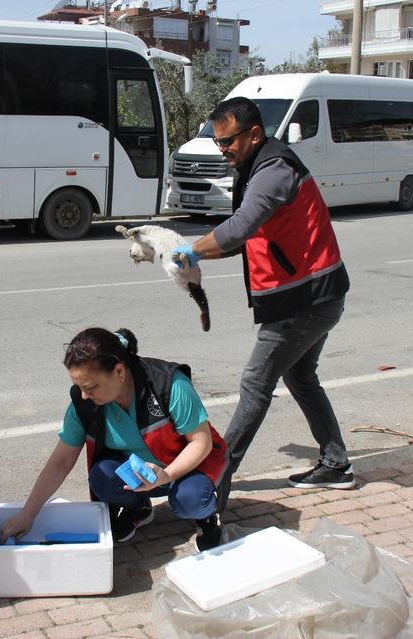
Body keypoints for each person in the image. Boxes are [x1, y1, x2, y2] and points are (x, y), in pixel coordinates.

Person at [172, 96, 354, 513]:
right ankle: (336, 462)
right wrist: (193, 252)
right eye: (217, 142)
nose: (223, 150)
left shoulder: (273, 170)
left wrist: (193, 250)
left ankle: (215, 476)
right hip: (315, 295)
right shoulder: (257, 166)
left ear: (254, 134)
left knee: (256, 383)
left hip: (306, 300)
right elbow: (241, 241)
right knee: (302, 377)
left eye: (228, 141)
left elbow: (240, 227)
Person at [0, 327, 227, 552]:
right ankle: (139, 509)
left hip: (189, 467)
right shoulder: (84, 403)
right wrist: (28, 514)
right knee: (101, 476)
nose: (84, 395)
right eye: (78, 386)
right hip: (143, 476)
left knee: (190, 499)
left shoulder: (168, 384)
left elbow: (201, 442)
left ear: (119, 371)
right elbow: (61, 462)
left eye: (90, 387)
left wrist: (166, 475)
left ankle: (207, 517)